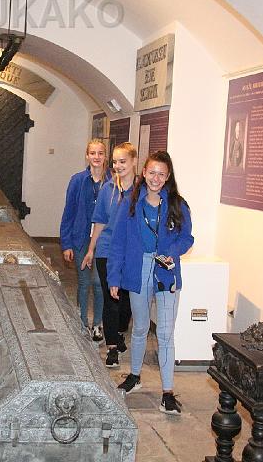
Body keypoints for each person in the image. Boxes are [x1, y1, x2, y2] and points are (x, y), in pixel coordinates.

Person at [108, 150, 194, 416]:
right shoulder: (130, 204)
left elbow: (187, 238)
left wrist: (173, 252)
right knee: (140, 327)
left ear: (168, 177)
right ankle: (135, 376)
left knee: (165, 333)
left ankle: (167, 392)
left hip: (166, 272)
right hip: (139, 269)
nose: (156, 178)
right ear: (144, 172)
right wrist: (114, 277)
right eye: (152, 172)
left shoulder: (178, 205)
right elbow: (117, 243)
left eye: (161, 174)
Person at [82, 142, 137, 367]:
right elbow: (100, 222)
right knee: (110, 298)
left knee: (126, 301)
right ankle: (112, 347)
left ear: (134, 161)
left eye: (123, 161)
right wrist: (91, 249)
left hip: (131, 253)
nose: (118, 166)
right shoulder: (108, 189)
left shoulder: (141, 191)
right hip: (107, 250)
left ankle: (120, 332)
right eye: (115, 162)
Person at [59, 139, 110, 340]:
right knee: (84, 282)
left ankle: (97, 324)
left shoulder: (112, 181)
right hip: (80, 238)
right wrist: (66, 243)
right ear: (87, 156)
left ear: (105, 156)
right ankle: (82, 323)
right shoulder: (77, 181)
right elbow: (68, 213)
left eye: (100, 153)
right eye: (93, 153)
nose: (97, 157)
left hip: (103, 240)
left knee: (98, 282)